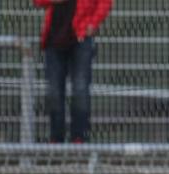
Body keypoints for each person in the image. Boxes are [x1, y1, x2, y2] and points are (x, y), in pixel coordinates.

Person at [34, 0, 112, 143]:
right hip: (54, 39)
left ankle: (79, 139)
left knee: (80, 90)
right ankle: (56, 139)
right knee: (54, 92)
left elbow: (105, 2)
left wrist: (93, 24)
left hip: (80, 37)